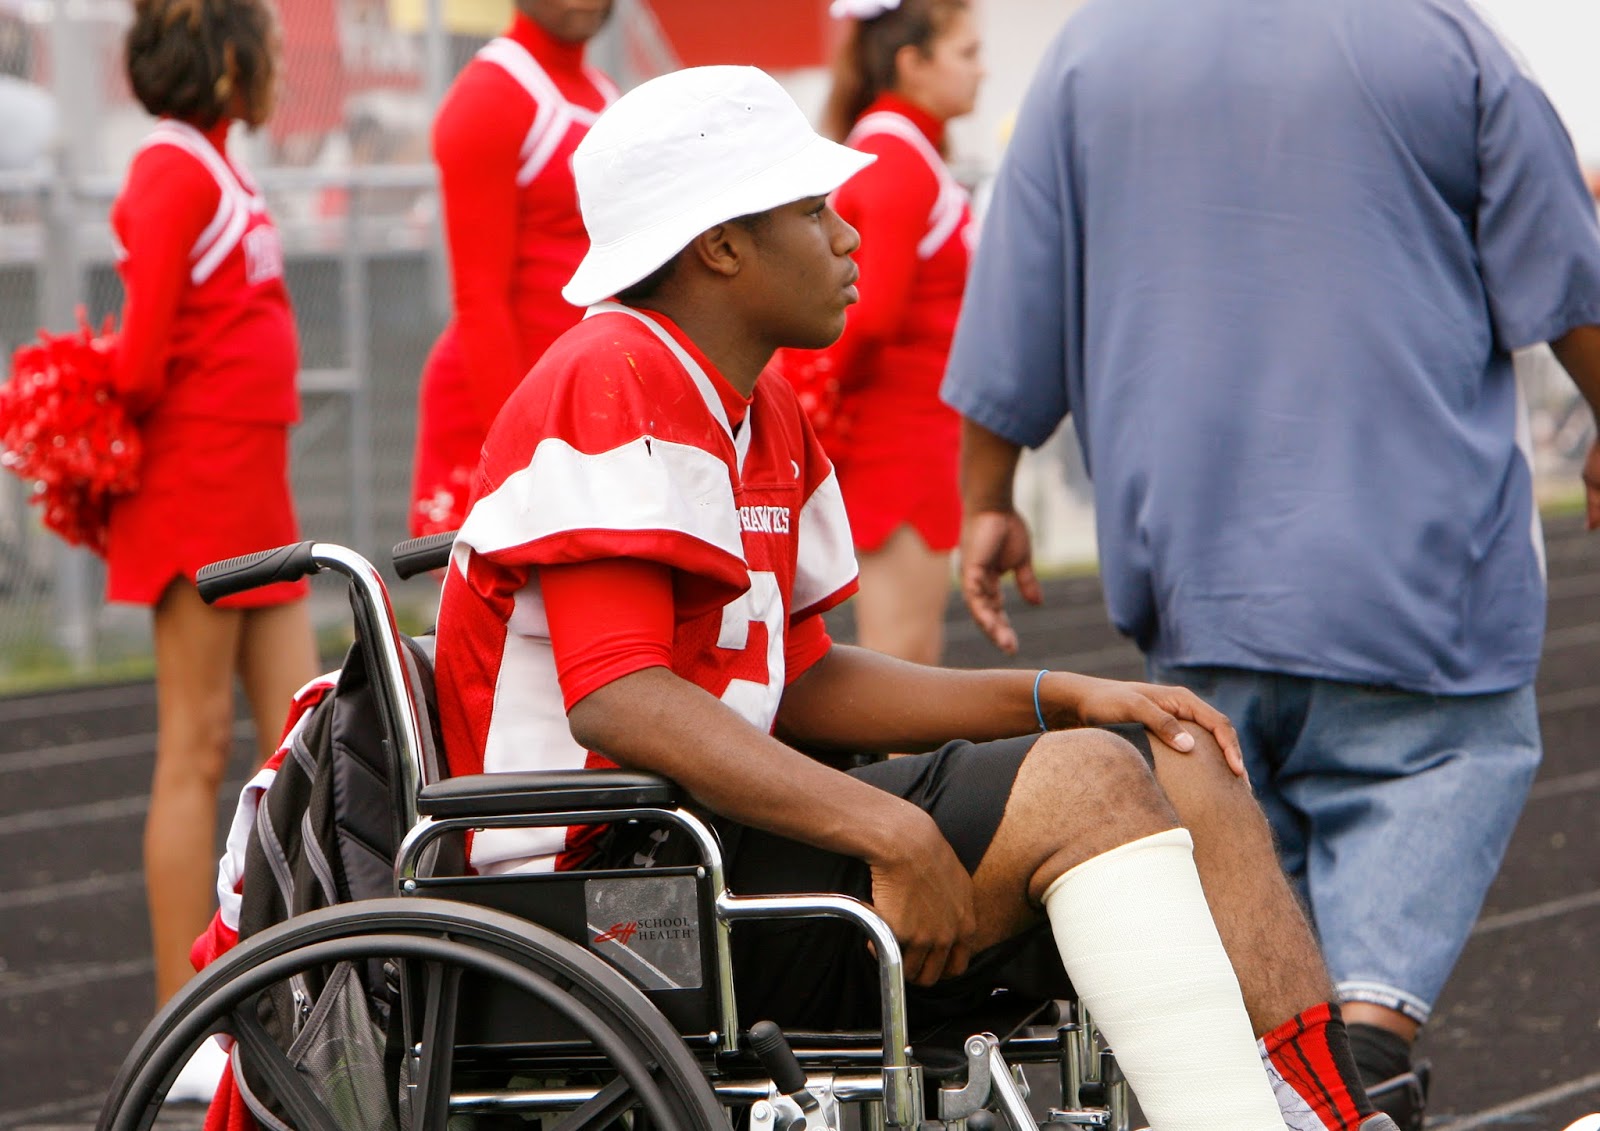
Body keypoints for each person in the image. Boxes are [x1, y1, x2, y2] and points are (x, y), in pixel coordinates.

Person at [433, 63, 1401, 1131]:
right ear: (718, 244)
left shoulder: (758, 406)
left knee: (1180, 752)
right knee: (1083, 787)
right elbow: (616, 694)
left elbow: (800, 682)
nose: (849, 239)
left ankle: (1331, 1118)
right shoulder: (611, 374)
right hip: (610, 894)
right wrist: (889, 829)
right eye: (813, 211)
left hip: (709, 845)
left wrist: (1063, 692)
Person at [938, 1, 1600, 1126]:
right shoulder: (1440, 35)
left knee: (1245, 882)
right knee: (1436, 770)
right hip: (1421, 576)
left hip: (1195, 579)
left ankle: (1301, 1074)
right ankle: (1368, 1052)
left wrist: (987, 498)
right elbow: (1564, 272)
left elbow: (1016, 299)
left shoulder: (1090, 50)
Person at [112, 0, 319, 1098]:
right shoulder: (171, 169)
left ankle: (274, 990)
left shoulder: (211, 162)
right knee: (193, 748)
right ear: (228, 56)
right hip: (195, 494)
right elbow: (141, 365)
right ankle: (178, 1025)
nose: (282, 63)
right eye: (272, 46)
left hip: (253, 494)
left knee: (298, 744)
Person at [779, 0, 980, 664]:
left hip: (916, 435)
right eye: (967, 54)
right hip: (897, 444)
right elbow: (873, 318)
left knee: (911, 660)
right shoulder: (895, 153)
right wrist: (826, 407)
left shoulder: (904, 148)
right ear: (911, 64)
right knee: (905, 662)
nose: (982, 71)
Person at [407, 0, 617, 538]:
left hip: (587, 407)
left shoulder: (603, 94)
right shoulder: (492, 95)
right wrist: (523, 452)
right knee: (506, 618)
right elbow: (479, 298)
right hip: (505, 407)